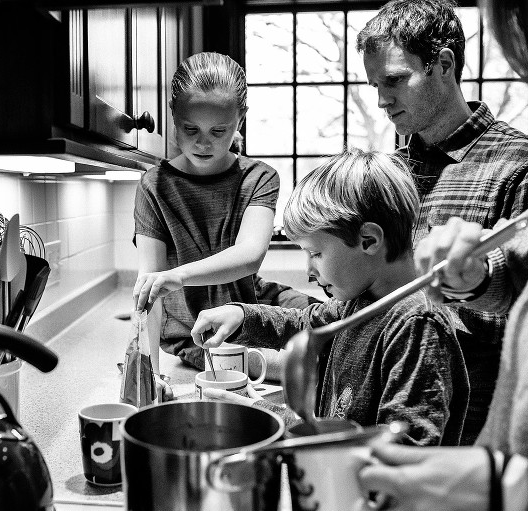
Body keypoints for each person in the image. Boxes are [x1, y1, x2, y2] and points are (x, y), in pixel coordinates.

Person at [358, 0, 528, 509]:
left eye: (394, 80)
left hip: (477, 438)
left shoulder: (521, 165)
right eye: (375, 86)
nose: (382, 100)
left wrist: (474, 277)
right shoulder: (389, 171)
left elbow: (524, 311)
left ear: (442, 63)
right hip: (392, 410)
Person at [192, 148, 470, 446]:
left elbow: (402, 452)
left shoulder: (416, 325)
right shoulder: (360, 302)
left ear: (369, 241)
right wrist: (240, 316)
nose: (308, 272)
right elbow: (302, 324)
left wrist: (269, 416)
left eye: (315, 253)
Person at [132, 52, 317, 381]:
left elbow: (249, 256)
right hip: (196, 334)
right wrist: (150, 375)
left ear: (240, 119)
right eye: (191, 129)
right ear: (174, 116)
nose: (203, 143)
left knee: (345, 330)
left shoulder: (259, 177)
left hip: (256, 306)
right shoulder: (153, 186)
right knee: (311, 366)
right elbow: (151, 290)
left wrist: (179, 275)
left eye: (219, 131)